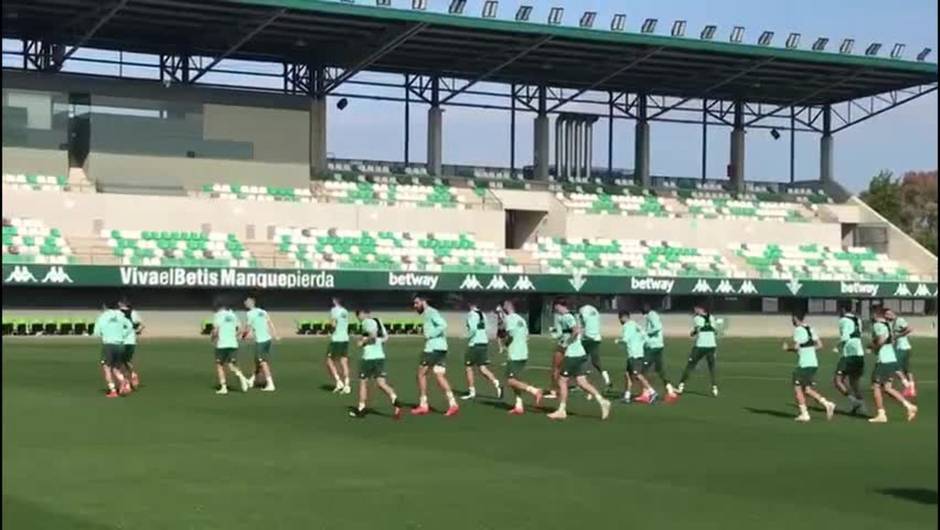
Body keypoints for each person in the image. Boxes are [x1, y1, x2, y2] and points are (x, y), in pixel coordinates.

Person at [546, 298, 611, 421]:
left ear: (560, 306)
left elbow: (575, 330)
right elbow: (568, 332)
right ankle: (602, 401)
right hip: (580, 353)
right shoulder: (567, 317)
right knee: (582, 382)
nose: (555, 310)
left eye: (556, 307)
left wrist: (568, 342)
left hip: (573, 354)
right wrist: (558, 335)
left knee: (562, 380)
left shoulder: (567, 316)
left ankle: (562, 410)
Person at [410, 296, 459, 417]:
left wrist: (430, 334)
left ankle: (423, 405)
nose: (415, 306)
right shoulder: (430, 312)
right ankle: (453, 404)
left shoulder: (430, 312)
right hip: (441, 348)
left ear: (423, 301)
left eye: (416, 303)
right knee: (439, 375)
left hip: (432, 348)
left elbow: (443, 325)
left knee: (421, 374)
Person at [349, 308, 402, 420]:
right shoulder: (378, 321)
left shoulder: (366, 322)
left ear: (362, 314)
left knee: (363, 383)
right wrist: (377, 341)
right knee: (381, 383)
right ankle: (394, 398)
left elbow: (372, 335)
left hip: (369, 358)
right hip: (380, 357)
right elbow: (386, 338)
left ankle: (361, 409)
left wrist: (362, 342)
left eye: (358, 316)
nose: (358, 319)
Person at [783, 312, 836, 422]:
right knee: (806, 389)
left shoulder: (798, 330)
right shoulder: (811, 328)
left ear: (796, 318)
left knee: (797, 387)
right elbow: (820, 345)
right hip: (813, 363)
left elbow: (797, 347)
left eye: (793, 318)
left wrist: (788, 349)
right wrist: (808, 349)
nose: (792, 321)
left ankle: (804, 414)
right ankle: (827, 404)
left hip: (805, 364)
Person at [868, 306, 917, 423]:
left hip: (884, 360)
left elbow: (881, 339)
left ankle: (881, 414)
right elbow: (890, 338)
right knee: (887, 388)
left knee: (876, 386)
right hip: (891, 359)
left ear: (875, 314)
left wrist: (873, 347)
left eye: (871, 313)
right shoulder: (888, 325)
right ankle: (909, 406)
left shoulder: (878, 325)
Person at [501, 299, 543, 415]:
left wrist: (504, 344)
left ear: (509, 306)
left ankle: (534, 391)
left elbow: (509, 336)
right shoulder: (521, 320)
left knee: (510, 380)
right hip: (523, 352)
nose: (503, 306)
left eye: (504, 304)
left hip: (515, 353)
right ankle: (518, 405)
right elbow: (526, 336)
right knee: (516, 380)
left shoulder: (509, 319)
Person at [676, 303, 719, 397]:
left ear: (701, 309)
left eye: (696, 308)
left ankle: (681, 385)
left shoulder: (697, 318)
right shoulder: (711, 317)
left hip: (700, 345)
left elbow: (697, 330)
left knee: (690, 365)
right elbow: (715, 331)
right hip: (711, 345)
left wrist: (692, 333)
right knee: (711, 367)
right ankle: (714, 388)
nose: (695, 310)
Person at [461, 302, 501, 400]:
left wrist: (467, 336)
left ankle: (472, 392)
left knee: (469, 367)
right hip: (483, 342)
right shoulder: (483, 314)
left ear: (471, 305)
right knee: (482, 368)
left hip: (474, 343)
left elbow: (473, 329)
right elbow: (487, 328)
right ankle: (496, 383)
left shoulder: (471, 314)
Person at [94, 301, 133, 398]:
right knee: (116, 368)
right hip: (120, 345)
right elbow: (130, 326)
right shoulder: (120, 315)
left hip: (109, 345)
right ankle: (124, 382)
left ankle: (113, 391)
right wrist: (123, 334)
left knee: (107, 369)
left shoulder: (103, 316)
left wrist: (104, 333)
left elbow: (96, 332)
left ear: (105, 306)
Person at [833, 302, 866, 415]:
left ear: (842, 309)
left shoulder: (843, 320)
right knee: (854, 382)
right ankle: (861, 405)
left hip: (849, 354)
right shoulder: (858, 320)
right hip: (859, 353)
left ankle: (854, 401)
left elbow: (845, 337)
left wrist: (837, 346)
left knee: (838, 381)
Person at [617, 310, 657, 404]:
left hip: (634, 355)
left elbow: (625, 339)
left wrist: (618, 341)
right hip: (639, 353)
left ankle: (652, 392)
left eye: (620, 319)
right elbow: (646, 338)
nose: (620, 321)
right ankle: (627, 396)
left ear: (623, 317)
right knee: (628, 375)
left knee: (637, 375)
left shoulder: (627, 326)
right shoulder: (636, 325)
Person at [641, 302, 677, 402]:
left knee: (641, 371)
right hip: (658, 346)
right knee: (660, 370)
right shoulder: (653, 315)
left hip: (653, 347)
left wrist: (646, 333)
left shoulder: (651, 315)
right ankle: (670, 391)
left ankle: (646, 393)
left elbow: (657, 327)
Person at [212, 302, 250, 395]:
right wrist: (234, 336)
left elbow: (216, 330)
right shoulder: (233, 315)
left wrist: (213, 338)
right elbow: (241, 330)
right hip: (233, 344)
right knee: (231, 365)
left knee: (219, 364)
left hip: (222, 344)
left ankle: (223, 387)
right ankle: (242, 377)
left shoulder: (218, 315)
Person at [244, 295, 279, 392]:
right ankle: (252, 380)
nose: (245, 303)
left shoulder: (250, 314)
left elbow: (247, 328)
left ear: (251, 303)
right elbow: (270, 323)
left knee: (262, 362)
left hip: (261, 341)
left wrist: (243, 336)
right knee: (258, 361)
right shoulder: (263, 312)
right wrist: (275, 334)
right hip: (267, 339)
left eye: (247, 301)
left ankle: (270, 384)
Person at [579, 301, 611, 389]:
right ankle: (605, 378)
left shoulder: (583, 310)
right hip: (596, 338)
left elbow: (583, 323)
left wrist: (582, 334)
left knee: (582, 359)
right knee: (594, 361)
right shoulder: (595, 310)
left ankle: (583, 380)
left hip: (587, 338)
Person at [885, 308, 916, 398]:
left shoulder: (899, 320)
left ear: (892, 314)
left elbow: (909, 329)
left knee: (895, 367)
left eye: (888, 314)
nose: (886, 316)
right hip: (904, 347)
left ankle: (907, 386)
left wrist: (898, 335)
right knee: (906, 370)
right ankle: (912, 390)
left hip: (902, 348)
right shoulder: (892, 323)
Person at [326, 297, 351, 394]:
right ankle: (347, 384)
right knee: (344, 361)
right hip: (345, 338)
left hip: (336, 339)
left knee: (329, 360)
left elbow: (333, 324)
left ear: (335, 301)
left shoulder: (334, 310)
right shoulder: (345, 311)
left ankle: (338, 381)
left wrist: (330, 326)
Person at [118, 298, 143, 389]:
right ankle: (133, 375)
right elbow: (141, 325)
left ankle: (126, 382)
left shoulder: (118, 313)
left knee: (120, 363)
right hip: (131, 341)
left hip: (121, 341)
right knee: (126, 360)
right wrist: (136, 332)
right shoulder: (133, 312)